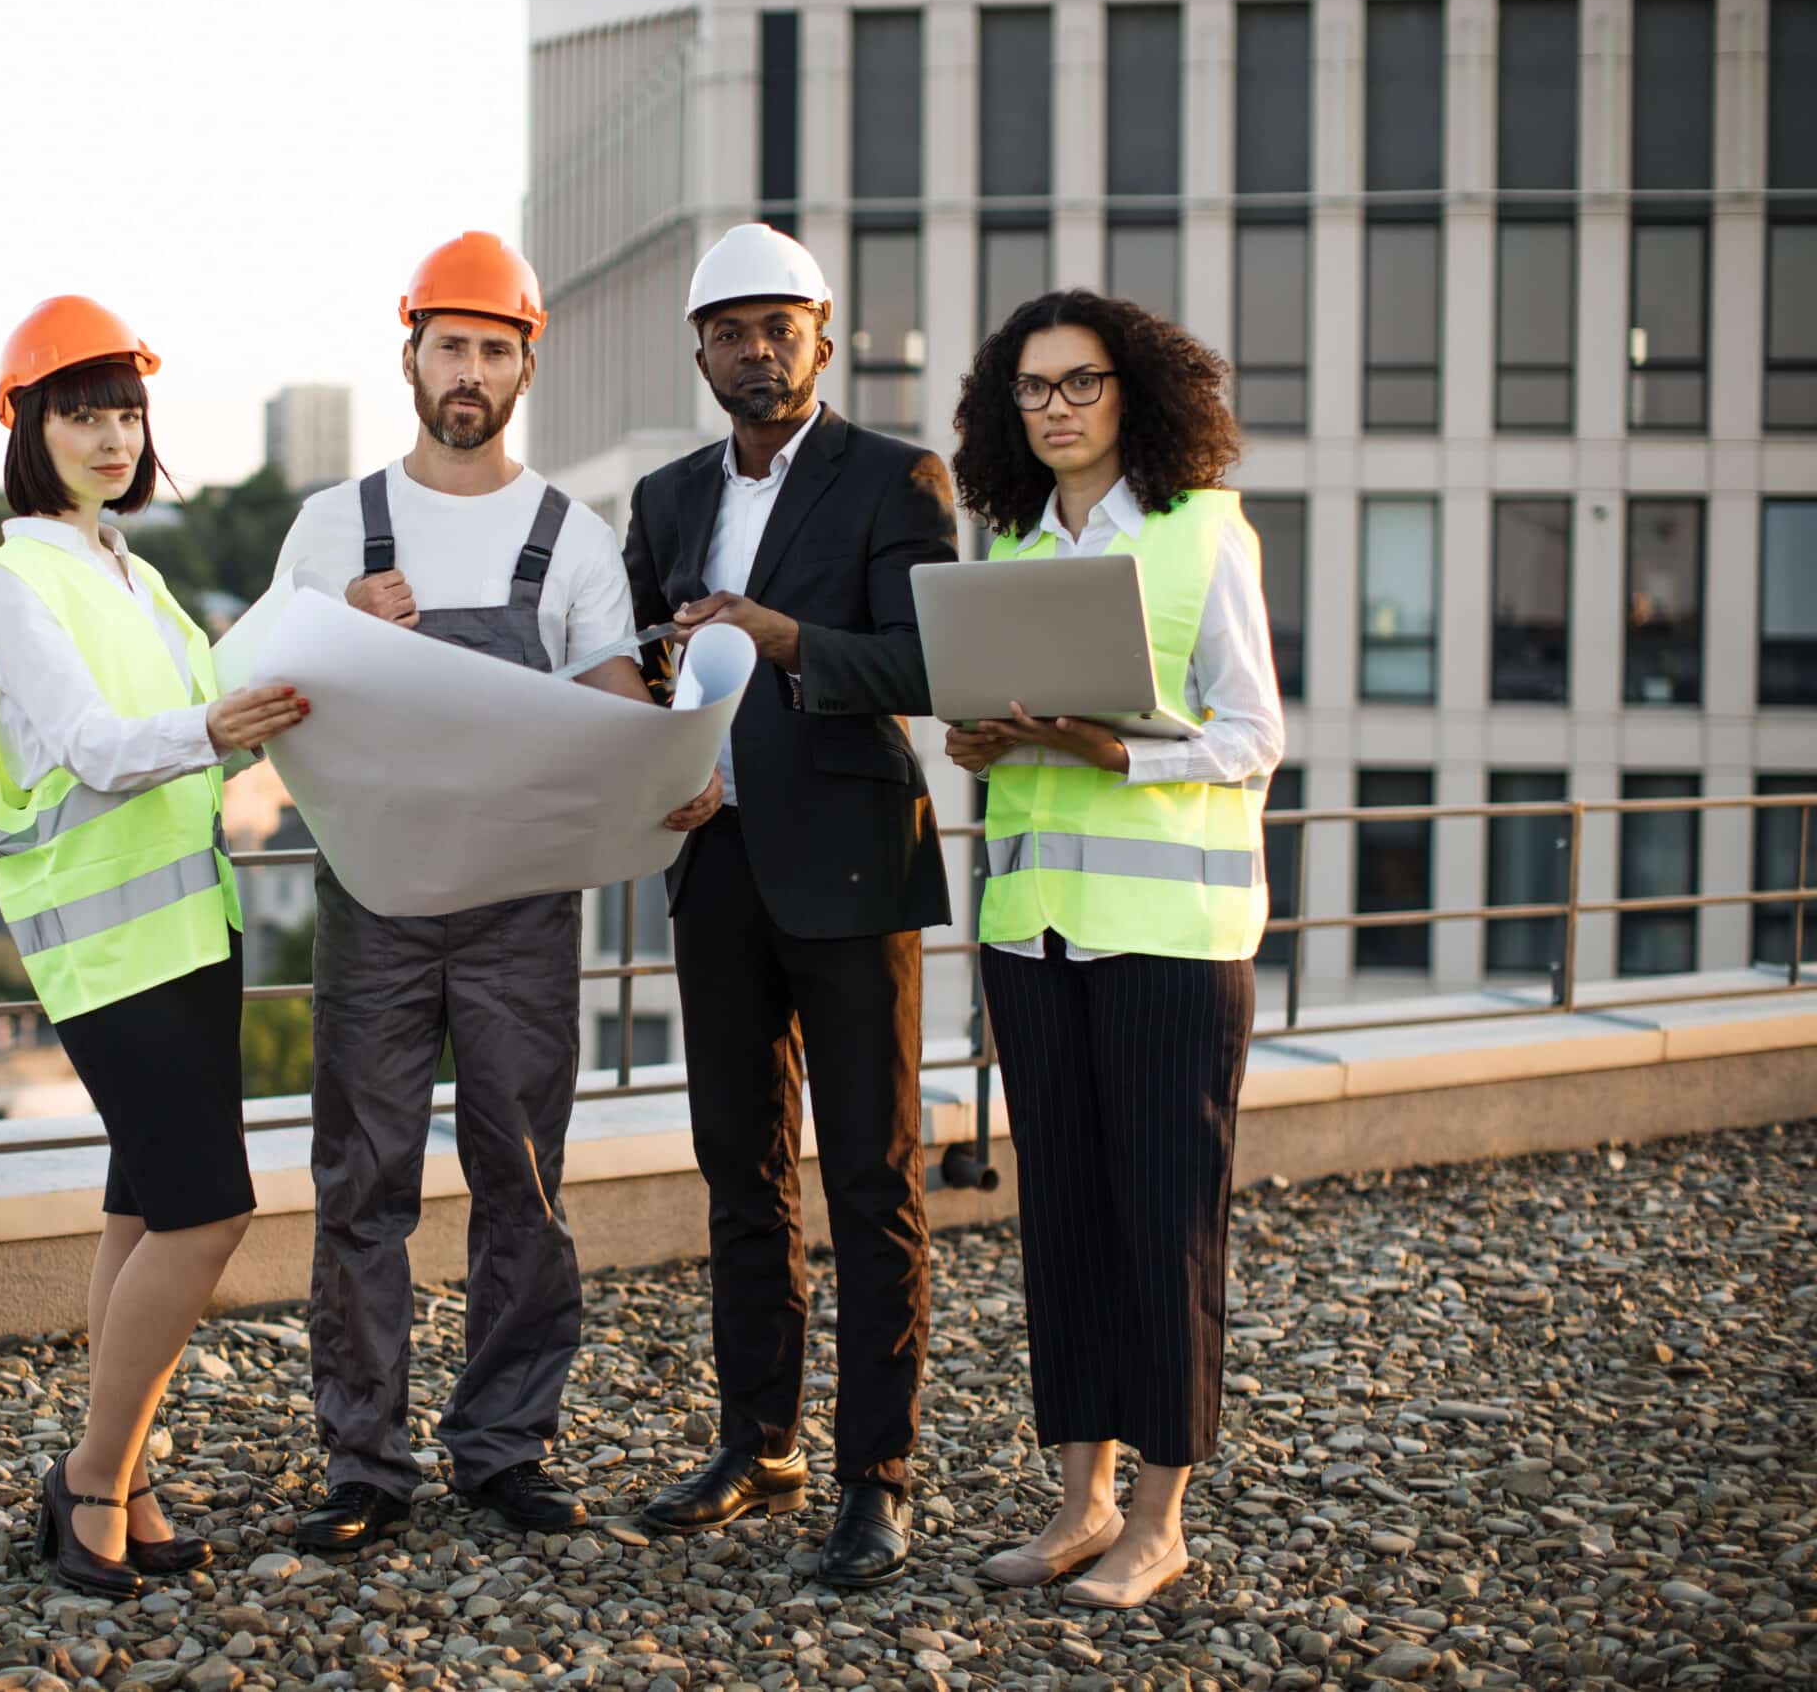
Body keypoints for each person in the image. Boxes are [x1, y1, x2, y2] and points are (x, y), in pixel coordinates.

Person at [274, 232, 722, 1553]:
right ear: (408, 352)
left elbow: (615, 713)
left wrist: (674, 767)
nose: (468, 371)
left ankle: (505, 1447)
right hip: (377, 894)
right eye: (449, 345)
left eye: (493, 349)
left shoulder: (569, 541)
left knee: (522, 1177)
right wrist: (348, 623)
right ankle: (365, 1463)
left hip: (523, 901)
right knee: (363, 1183)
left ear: (528, 363)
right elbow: (262, 703)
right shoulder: (328, 529)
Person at [621, 222, 956, 1589]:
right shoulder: (661, 497)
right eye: (730, 331)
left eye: (781, 326)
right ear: (698, 349)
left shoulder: (895, 477)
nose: (756, 351)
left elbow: (927, 660)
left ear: (822, 334)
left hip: (852, 861)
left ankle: (879, 1476)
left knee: (875, 1178)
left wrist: (784, 642)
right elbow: (643, 667)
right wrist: (661, 759)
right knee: (738, 1169)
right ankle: (759, 1442)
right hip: (720, 869)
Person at [944, 288, 1283, 1610]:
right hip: (1034, 936)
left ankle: (1160, 1518)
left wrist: (1115, 751)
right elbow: (1016, 733)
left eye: (1080, 383)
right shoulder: (1014, 544)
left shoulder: (1207, 531)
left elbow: (1254, 735)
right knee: (1067, 1225)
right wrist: (989, 738)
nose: (1058, 409)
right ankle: (1079, 1505)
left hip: (1172, 942)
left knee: (1164, 1228)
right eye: (1033, 390)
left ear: (1130, 392)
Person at [0, 296, 309, 1595]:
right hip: (106, 955)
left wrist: (326, 645)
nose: (113, 436)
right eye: (82, 412)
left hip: (190, 928)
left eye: (126, 411)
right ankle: (91, 1482)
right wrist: (220, 729)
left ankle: (134, 1472)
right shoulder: (16, 579)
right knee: (211, 1210)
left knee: (144, 1205)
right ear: (29, 427)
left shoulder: (139, 574)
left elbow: (228, 700)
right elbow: (97, 751)